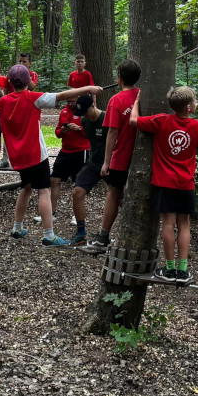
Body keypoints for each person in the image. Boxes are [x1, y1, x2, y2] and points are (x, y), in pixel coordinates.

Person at [0, 65, 101, 246]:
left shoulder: (3, 102)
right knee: (44, 190)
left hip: (19, 157)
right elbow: (62, 95)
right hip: (36, 155)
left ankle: (17, 227)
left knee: (26, 188)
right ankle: (49, 235)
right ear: (28, 81)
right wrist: (89, 89)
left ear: (11, 83)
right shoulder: (33, 98)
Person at [132, 87, 198, 281]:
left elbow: (133, 121)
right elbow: (197, 146)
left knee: (168, 224)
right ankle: (183, 270)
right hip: (186, 183)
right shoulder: (197, 126)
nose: (196, 103)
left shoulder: (161, 121)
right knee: (184, 224)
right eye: (195, 101)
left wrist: (136, 102)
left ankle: (169, 269)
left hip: (164, 183)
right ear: (189, 107)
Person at [85, 58, 142, 251]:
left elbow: (112, 132)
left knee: (113, 194)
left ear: (119, 78)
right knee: (123, 196)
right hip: (139, 157)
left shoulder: (116, 100)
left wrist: (106, 162)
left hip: (121, 156)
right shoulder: (141, 95)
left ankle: (103, 237)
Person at [69, 94, 109, 246]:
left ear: (93, 105)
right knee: (77, 192)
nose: (84, 115)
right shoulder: (84, 121)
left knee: (119, 199)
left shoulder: (106, 119)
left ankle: (111, 234)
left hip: (111, 163)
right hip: (94, 163)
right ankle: (81, 232)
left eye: (86, 111)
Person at [47, 94, 91, 224]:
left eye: (72, 101)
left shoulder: (85, 112)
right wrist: (63, 131)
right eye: (68, 101)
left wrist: (78, 129)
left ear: (77, 100)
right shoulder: (64, 112)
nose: (70, 103)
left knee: (79, 184)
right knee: (54, 180)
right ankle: (51, 213)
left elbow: (90, 131)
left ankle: (77, 216)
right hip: (65, 151)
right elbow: (57, 133)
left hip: (81, 150)